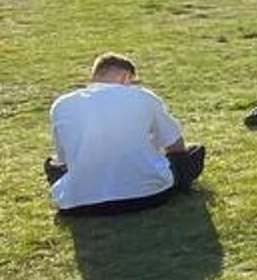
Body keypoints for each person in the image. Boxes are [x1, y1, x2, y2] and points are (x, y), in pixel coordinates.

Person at [46, 53, 206, 215]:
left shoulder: (62, 104)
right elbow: (176, 147)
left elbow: (63, 160)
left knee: (51, 164)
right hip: (148, 196)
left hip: (80, 204)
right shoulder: (144, 97)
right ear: (125, 77)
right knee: (192, 152)